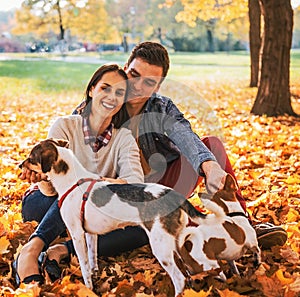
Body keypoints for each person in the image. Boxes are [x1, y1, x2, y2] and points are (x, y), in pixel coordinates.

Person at [15, 42, 287, 286]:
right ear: (125, 69)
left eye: (149, 82)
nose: (137, 87)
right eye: (133, 75)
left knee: (210, 147)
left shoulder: (161, 108)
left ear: (158, 86)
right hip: (88, 196)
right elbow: (66, 173)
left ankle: (242, 224)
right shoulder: (98, 105)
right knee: (79, 201)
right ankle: (48, 246)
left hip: (144, 186)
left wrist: (208, 165)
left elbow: (183, 135)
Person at [13, 64, 145, 286]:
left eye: (119, 93)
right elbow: (51, 190)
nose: (111, 97)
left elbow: (134, 185)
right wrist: (45, 179)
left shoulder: (124, 139)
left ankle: (62, 249)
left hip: (93, 211)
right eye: (105, 88)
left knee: (139, 231)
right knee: (73, 193)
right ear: (92, 89)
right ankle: (31, 250)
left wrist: (92, 186)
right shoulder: (64, 126)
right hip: (44, 202)